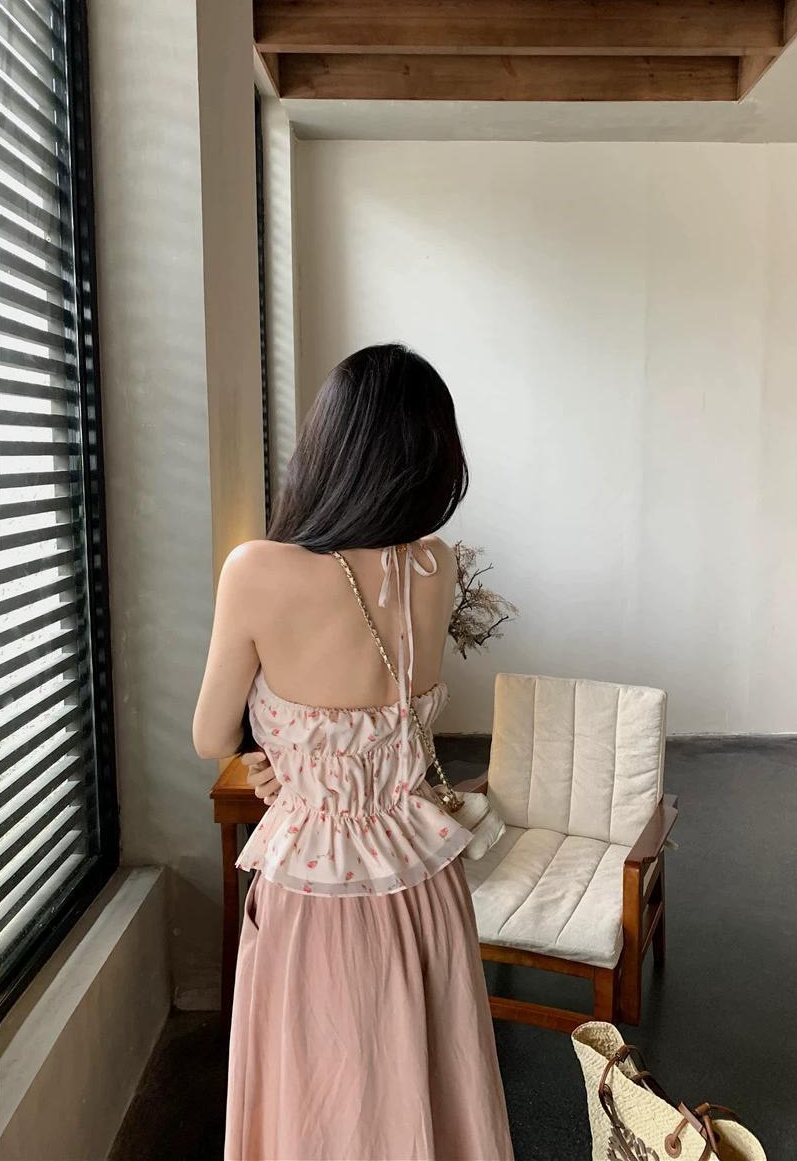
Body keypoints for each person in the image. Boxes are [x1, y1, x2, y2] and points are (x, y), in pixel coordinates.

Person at [192, 342, 514, 1161]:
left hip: (316, 886)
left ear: (328, 444)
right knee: (424, 1086)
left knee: (322, 1105)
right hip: (422, 878)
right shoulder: (433, 563)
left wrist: (280, 751)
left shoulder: (257, 569)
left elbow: (209, 734)